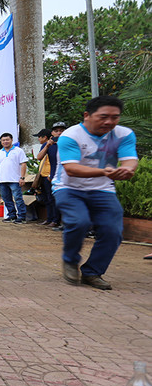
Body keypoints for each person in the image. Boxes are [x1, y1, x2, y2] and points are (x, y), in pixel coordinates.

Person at [53, 96, 138, 290]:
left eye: (115, 117)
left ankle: (92, 272)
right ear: (87, 116)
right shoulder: (71, 135)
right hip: (69, 188)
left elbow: (130, 159)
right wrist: (105, 172)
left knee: (113, 231)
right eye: (103, 116)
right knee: (78, 221)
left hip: (103, 189)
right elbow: (72, 169)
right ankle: (70, 260)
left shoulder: (124, 134)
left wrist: (128, 170)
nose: (109, 122)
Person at [0, 132, 28, 224]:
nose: (5, 142)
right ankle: (12, 215)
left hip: (15, 180)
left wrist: (22, 177)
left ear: (12, 140)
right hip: (2, 180)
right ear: (1, 142)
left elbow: (23, 164)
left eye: (7, 139)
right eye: (3, 140)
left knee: (18, 198)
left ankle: (22, 217)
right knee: (6, 199)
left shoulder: (18, 151)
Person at [34, 129, 61, 228]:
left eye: (39, 137)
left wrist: (51, 174)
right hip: (44, 176)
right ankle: (49, 218)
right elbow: (39, 157)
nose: (38, 139)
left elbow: (55, 162)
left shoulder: (58, 145)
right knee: (47, 199)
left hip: (51, 176)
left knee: (52, 198)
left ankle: (55, 220)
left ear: (45, 137)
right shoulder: (46, 146)